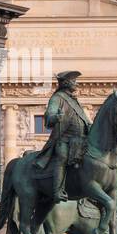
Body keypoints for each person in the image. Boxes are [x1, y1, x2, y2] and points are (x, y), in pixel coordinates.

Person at [34, 71, 90, 202]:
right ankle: (57, 190)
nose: (76, 83)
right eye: (73, 81)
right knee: (62, 157)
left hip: (80, 140)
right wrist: (56, 117)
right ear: (66, 83)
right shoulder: (57, 98)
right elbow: (49, 116)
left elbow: (85, 119)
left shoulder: (73, 100)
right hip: (64, 140)